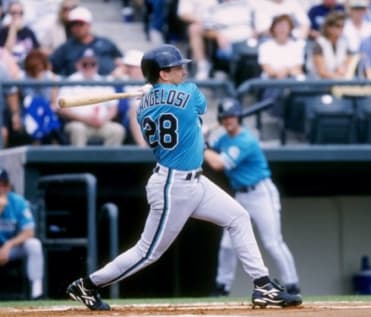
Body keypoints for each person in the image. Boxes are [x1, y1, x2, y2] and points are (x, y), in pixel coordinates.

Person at [65, 44, 302, 311]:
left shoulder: (143, 106)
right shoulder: (187, 93)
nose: (183, 70)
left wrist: (155, 93)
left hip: (194, 181)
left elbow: (172, 113)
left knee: (238, 217)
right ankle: (88, 284)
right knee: (147, 252)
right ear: (162, 74)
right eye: (176, 67)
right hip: (172, 185)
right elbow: (198, 104)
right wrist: (161, 92)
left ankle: (263, 285)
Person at [204, 97, 301, 297]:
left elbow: (217, 164)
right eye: (224, 117)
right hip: (241, 194)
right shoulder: (224, 138)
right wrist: (204, 137)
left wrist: (202, 145)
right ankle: (222, 286)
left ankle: (292, 284)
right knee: (227, 245)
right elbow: (211, 148)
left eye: (231, 116)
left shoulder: (245, 139)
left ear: (238, 117)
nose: (228, 120)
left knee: (272, 242)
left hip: (261, 193)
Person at [56, 48, 125, 146]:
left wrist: (104, 119)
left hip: (102, 123)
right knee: (77, 129)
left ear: (97, 65)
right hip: (78, 122)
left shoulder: (103, 81)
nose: (89, 67)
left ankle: (108, 161)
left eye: (92, 64)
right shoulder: (70, 81)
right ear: (78, 65)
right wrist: (84, 119)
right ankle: (80, 161)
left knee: (118, 130)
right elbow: (61, 108)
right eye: (85, 64)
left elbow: (113, 108)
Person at [0, 167, 45, 300]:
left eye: (4, 184)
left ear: (8, 186)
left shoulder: (17, 202)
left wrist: (8, 245)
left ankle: (37, 292)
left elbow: (29, 232)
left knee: (33, 244)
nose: (1, 188)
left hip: (9, 249)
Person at [49, 6, 123, 77]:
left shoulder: (106, 43)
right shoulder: (65, 48)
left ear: (89, 25)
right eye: (73, 25)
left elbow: (120, 62)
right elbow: (51, 67)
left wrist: (120, 70)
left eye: (80, 24)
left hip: (106, 87)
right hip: (75, 88)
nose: (76, 28)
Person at [308, 11, 354, 79]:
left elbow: (349, 60)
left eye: (342, 26)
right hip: (318, 85)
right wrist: (340, 78)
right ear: (329, 27)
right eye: (338, 26)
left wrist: (344, 66)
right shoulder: (319, 44)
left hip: (338, 84)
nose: (341, 29)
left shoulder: (344, 43)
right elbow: (322, 72)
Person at [0, 0, 40, 65]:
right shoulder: (3, 32)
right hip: (11, 66)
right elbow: (6, 53)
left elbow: (37, 52)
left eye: (20, 13)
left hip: (28, 66)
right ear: (9, 14)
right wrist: (13, 30)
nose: (17, 15)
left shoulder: (29, 32)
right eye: (13, 13)